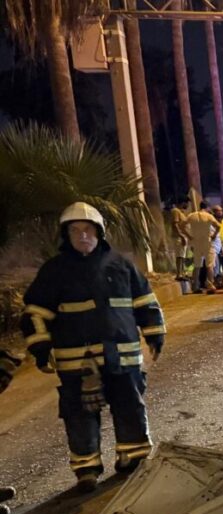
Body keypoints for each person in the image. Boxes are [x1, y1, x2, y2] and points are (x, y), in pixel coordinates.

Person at [20, 202, 166, 492]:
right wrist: (40, 348)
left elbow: (145, 302)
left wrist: (154, 334)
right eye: (75, 231)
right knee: (79, 413)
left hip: (122, 354)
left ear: (99, 232)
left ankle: (133, 456)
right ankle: (86, 469)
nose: (82, 236)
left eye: (87, 230)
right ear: (67, 235)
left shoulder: (122, 265)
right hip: (76, 360)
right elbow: (35, 313)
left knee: (129, 405)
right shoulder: (54, 271)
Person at [186, 201, 220, 294]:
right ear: (207, 207)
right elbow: (218, 226)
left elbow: (181, 225)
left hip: (196, 242)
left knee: (197, 265)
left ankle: (195, 286)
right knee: (209, 265)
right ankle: (210, 285)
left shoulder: (191, 216)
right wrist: (214, 235)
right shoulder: (209, 216)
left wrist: (188, 236)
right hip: (207, 242)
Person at [170, 197, 190, 279]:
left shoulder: (181, 212)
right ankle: (179, 274)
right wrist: (181, 236)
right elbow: (175, 224)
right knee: (179, 256)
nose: (187, 205)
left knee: (182, 256)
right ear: (183, 202)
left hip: (183, 236)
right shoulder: (176, 211)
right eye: (187, 203)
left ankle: (182, 273)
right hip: (178, 237)